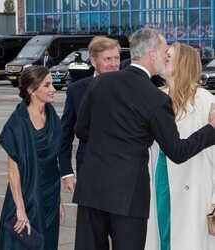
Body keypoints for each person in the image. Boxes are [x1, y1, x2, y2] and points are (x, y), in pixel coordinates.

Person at [72, 28, 215, 250]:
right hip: (128, 195)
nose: (166, 56)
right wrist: (211, 129)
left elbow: (82, 130)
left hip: (92, 191)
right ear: (152, 54)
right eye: (164, 51)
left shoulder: (100, 82)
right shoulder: (155, 98)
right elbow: (177, 151)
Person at [145, 42, 215, 250]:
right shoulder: (155, 97)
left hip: (195, 188)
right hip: (160, 179)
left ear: (183, 62)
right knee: (161, 235)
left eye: (169, 55)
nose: (163, 57)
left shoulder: (205, 101)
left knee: (185, 240)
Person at [0, 65, 64, 250]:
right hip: (27, 194)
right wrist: (20, 208)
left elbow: (53, 162)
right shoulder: (18, 123)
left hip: (50, 195)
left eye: (52, 84)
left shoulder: (52, 116)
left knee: (48, 243)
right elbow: (12, 170)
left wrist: (58, 201)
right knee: (24, 244)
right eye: (47, 85)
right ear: (31, 90)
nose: (53, 90)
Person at [59, 36, 121, 192]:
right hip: (88, 166)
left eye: (117, 58)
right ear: (93, 61)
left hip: (122, 167)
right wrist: (66, 172)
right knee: (89, 215)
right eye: (108, 59)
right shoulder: (76, 90)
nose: (114, 64)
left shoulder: (130, 87)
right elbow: (65, 134)